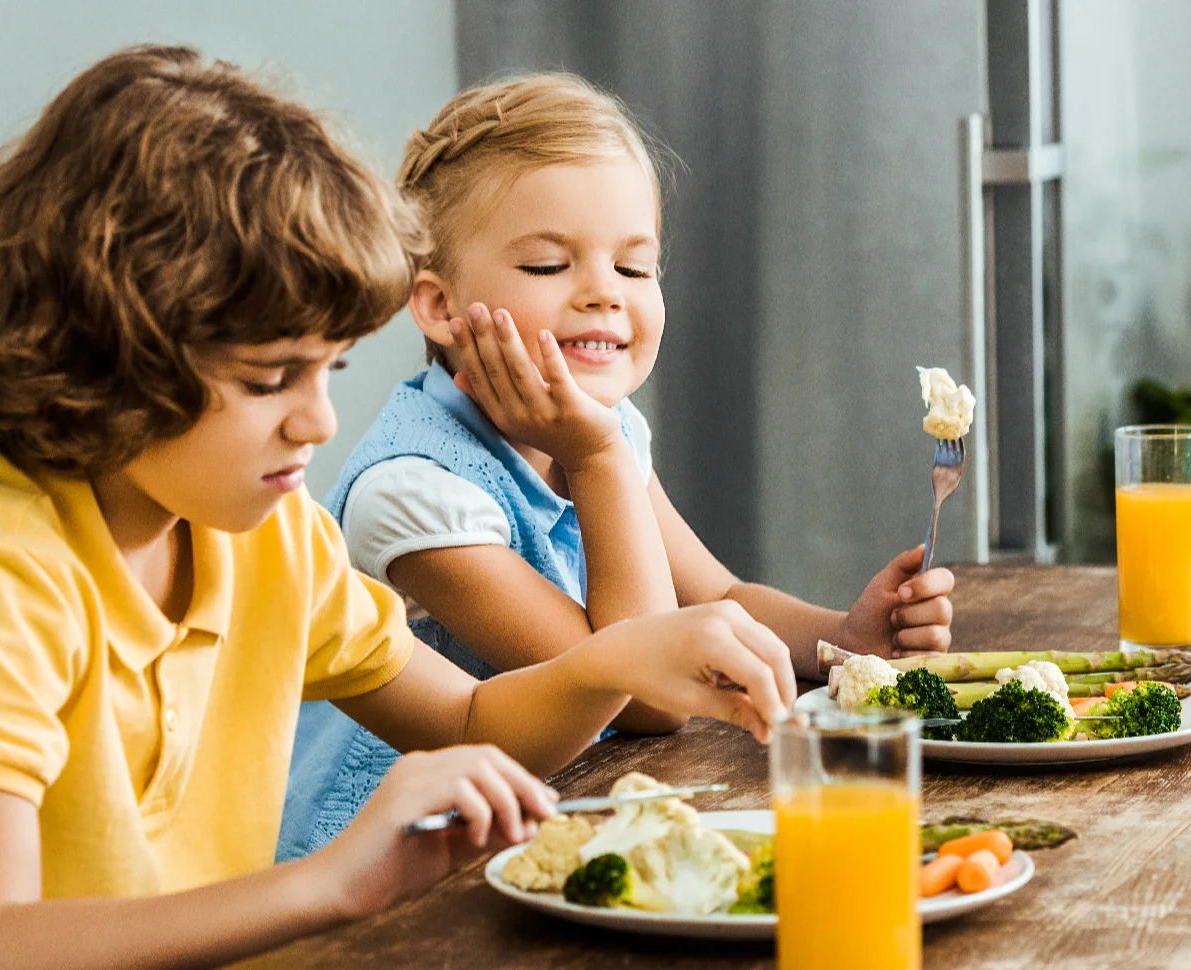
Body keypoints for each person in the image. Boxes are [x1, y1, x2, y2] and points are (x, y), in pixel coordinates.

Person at [0, 48, 796, 970]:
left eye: (331, 367)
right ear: (113, 348)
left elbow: (471, 722)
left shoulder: (265, 532)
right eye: (269, 378)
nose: (319, 419)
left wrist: (611, 664)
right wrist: (328, 886)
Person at [281, 73, 954, 857]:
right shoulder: (414, 493)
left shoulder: (605, 434)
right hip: (397, 870)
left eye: (633, 269)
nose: (604, 295)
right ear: (437, 307)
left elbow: (719, 596)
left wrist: (842, 641)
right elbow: (642, 695)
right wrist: (595, 457)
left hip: (554, 821)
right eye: (546, 266)